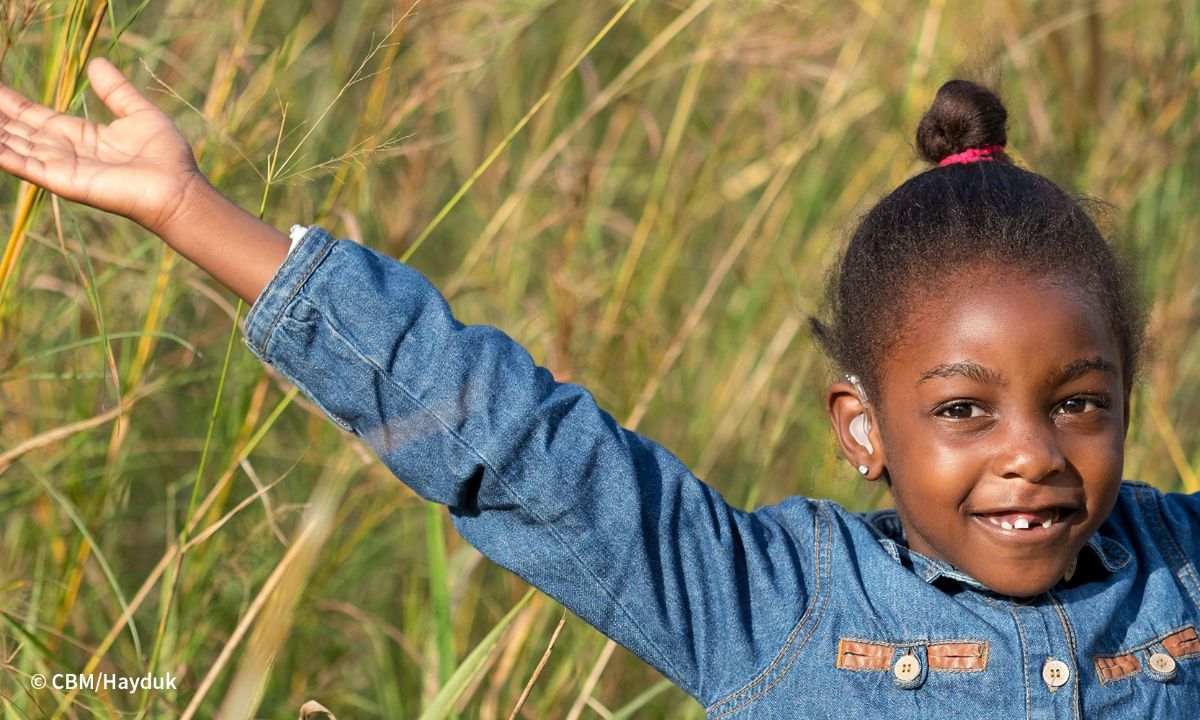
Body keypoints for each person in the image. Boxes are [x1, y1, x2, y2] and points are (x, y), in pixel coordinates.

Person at [1, 59, 1197, 718]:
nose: (1033, 450)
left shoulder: (1177, 572)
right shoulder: (773, 607)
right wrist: (191, 211)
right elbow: (519, 446)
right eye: (962, 409)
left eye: (1080, 402)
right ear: (862, 430)